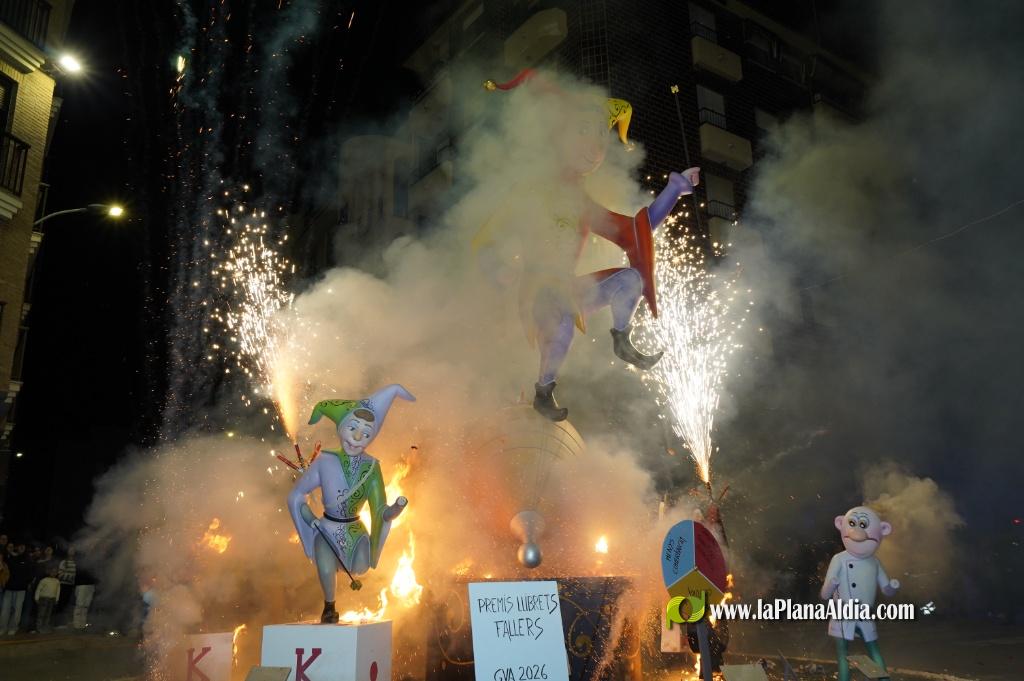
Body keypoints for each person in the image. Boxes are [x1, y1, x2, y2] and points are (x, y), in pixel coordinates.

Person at [0, 543, 30, 634]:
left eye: (23, 546)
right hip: (9, 588)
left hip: (21, 589)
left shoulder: (27, 559)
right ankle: (3, 628)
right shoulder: (9, 558)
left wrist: (27, 583)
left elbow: (30, 573)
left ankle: (13, 627)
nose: (21, 547)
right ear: (16, 547)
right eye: (19, 546)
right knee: (5, 610)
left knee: (17, 610)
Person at [34, 567, 60, 634]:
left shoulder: (57, 581)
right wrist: (36, 598)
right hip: (44, 599)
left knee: (48, 614)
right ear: (49, 572)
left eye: (55, 572)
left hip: (52, 599)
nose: (53, 573)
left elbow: (58, 591)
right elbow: (38, 589)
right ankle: (38, 627)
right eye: (52, 572)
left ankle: (45, 627)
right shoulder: (44, 580)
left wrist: (57, 599)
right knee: (41, 614)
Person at [56, 547, 77, 626]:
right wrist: (71, 577)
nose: (72, 552)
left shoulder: (76, 562)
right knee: (61, 603)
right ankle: (58, 623)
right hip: (63, 585)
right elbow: (60, 575)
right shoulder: (64, 562)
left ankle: (64, 622)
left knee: (68, 604)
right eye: (70, 550)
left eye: (73, 550)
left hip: (71, 585)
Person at [73, 563, 96, 629]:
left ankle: (82, 625)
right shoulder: (82, 560)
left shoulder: (94, 560)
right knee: (79, 605)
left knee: (86, 606)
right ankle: (77, 625)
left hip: (91, 585)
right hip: (82, 584)